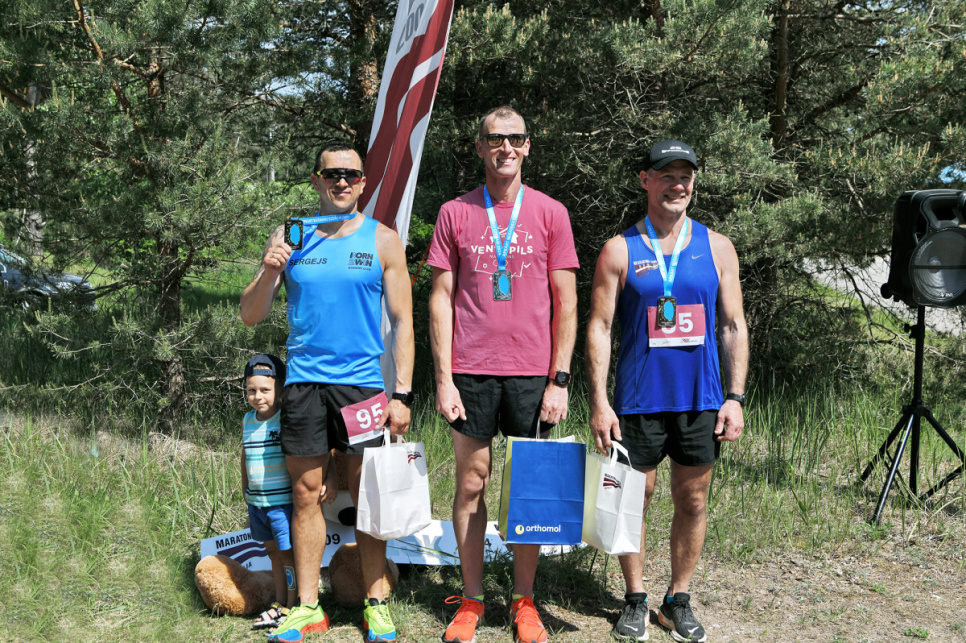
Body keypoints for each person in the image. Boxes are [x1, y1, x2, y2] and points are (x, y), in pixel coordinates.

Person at [240, 141, 415, 643]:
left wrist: (401, 394)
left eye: (351, 175)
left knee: (367, 498)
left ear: (363, 183)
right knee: (304, 495)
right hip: (303, 386)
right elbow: (250, 315)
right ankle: (307, 606)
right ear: (317, 180)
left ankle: (376, 603)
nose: (341, 181)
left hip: (361, 388)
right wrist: (270, 269)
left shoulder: (383, 239)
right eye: (332, 173)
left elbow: (403, 322)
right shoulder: (291, 234)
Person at [585, 140, 748, 643]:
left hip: (701, 398)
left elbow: (733, 325)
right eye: (667, 175)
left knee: (692, 499)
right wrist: (599, 402)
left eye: (685, 176)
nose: (678, 185)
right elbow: (600, 327)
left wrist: (735, 397)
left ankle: (677, 599)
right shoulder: (619, 249)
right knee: (635, 499)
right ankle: (635, 599)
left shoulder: (718, 247)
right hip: (638, 400)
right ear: (646, 180)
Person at [428, 106, 579, 643]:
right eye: (495, 139)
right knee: (472, 482)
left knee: (529, 490)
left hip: (533, 374)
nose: (505, 148)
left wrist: (560, 380)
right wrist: (442, 378)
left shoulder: (551, 212)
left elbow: (567, 301)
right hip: (470, 370)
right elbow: (440, 298)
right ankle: (472, 598)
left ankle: (523, 600)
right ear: (480, 147)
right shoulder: (455, 212)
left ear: (528, 146)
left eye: (515, 139)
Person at [243, 353, 336, 631]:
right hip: (258, 503)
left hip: (282, 503)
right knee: (272, 553)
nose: (258, 397)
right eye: (251, 390)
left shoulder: (287, 419)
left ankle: (292, 604)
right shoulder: (248, 420)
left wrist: (330, 477)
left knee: (287, 557)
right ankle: (279, 602)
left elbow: (321, 450)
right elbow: (244, 455)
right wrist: (244, 488)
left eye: (265, 390)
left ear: (281, 389)